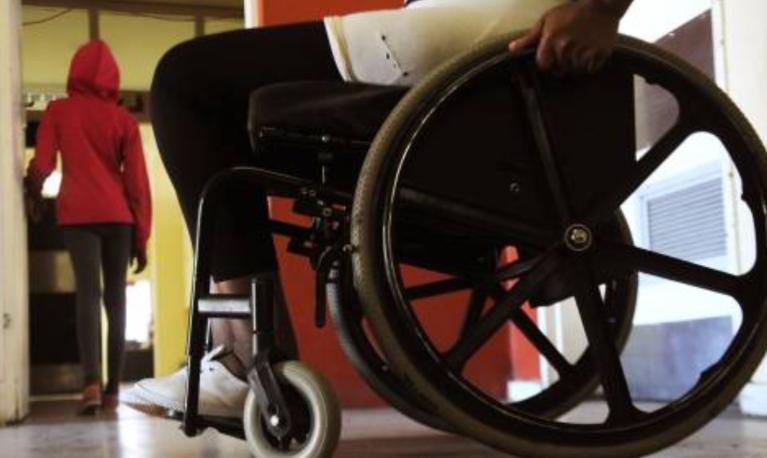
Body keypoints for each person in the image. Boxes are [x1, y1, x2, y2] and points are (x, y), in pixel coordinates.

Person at [124, 0, 633, 417]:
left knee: (185, 82)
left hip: (493, 17)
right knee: (213, 94)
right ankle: (247, 354)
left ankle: (242, 356)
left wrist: (603, 8)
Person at [25, 40, 152, 415]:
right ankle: (115, 390)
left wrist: (31, 184)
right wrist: (141, 237)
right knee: (117, 299)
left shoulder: (59, 111)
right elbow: (138, 186)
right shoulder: (123, 120)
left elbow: (44, 164)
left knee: (87, 295)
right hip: (118, 217)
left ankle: (90, 384)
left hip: (78, 214)